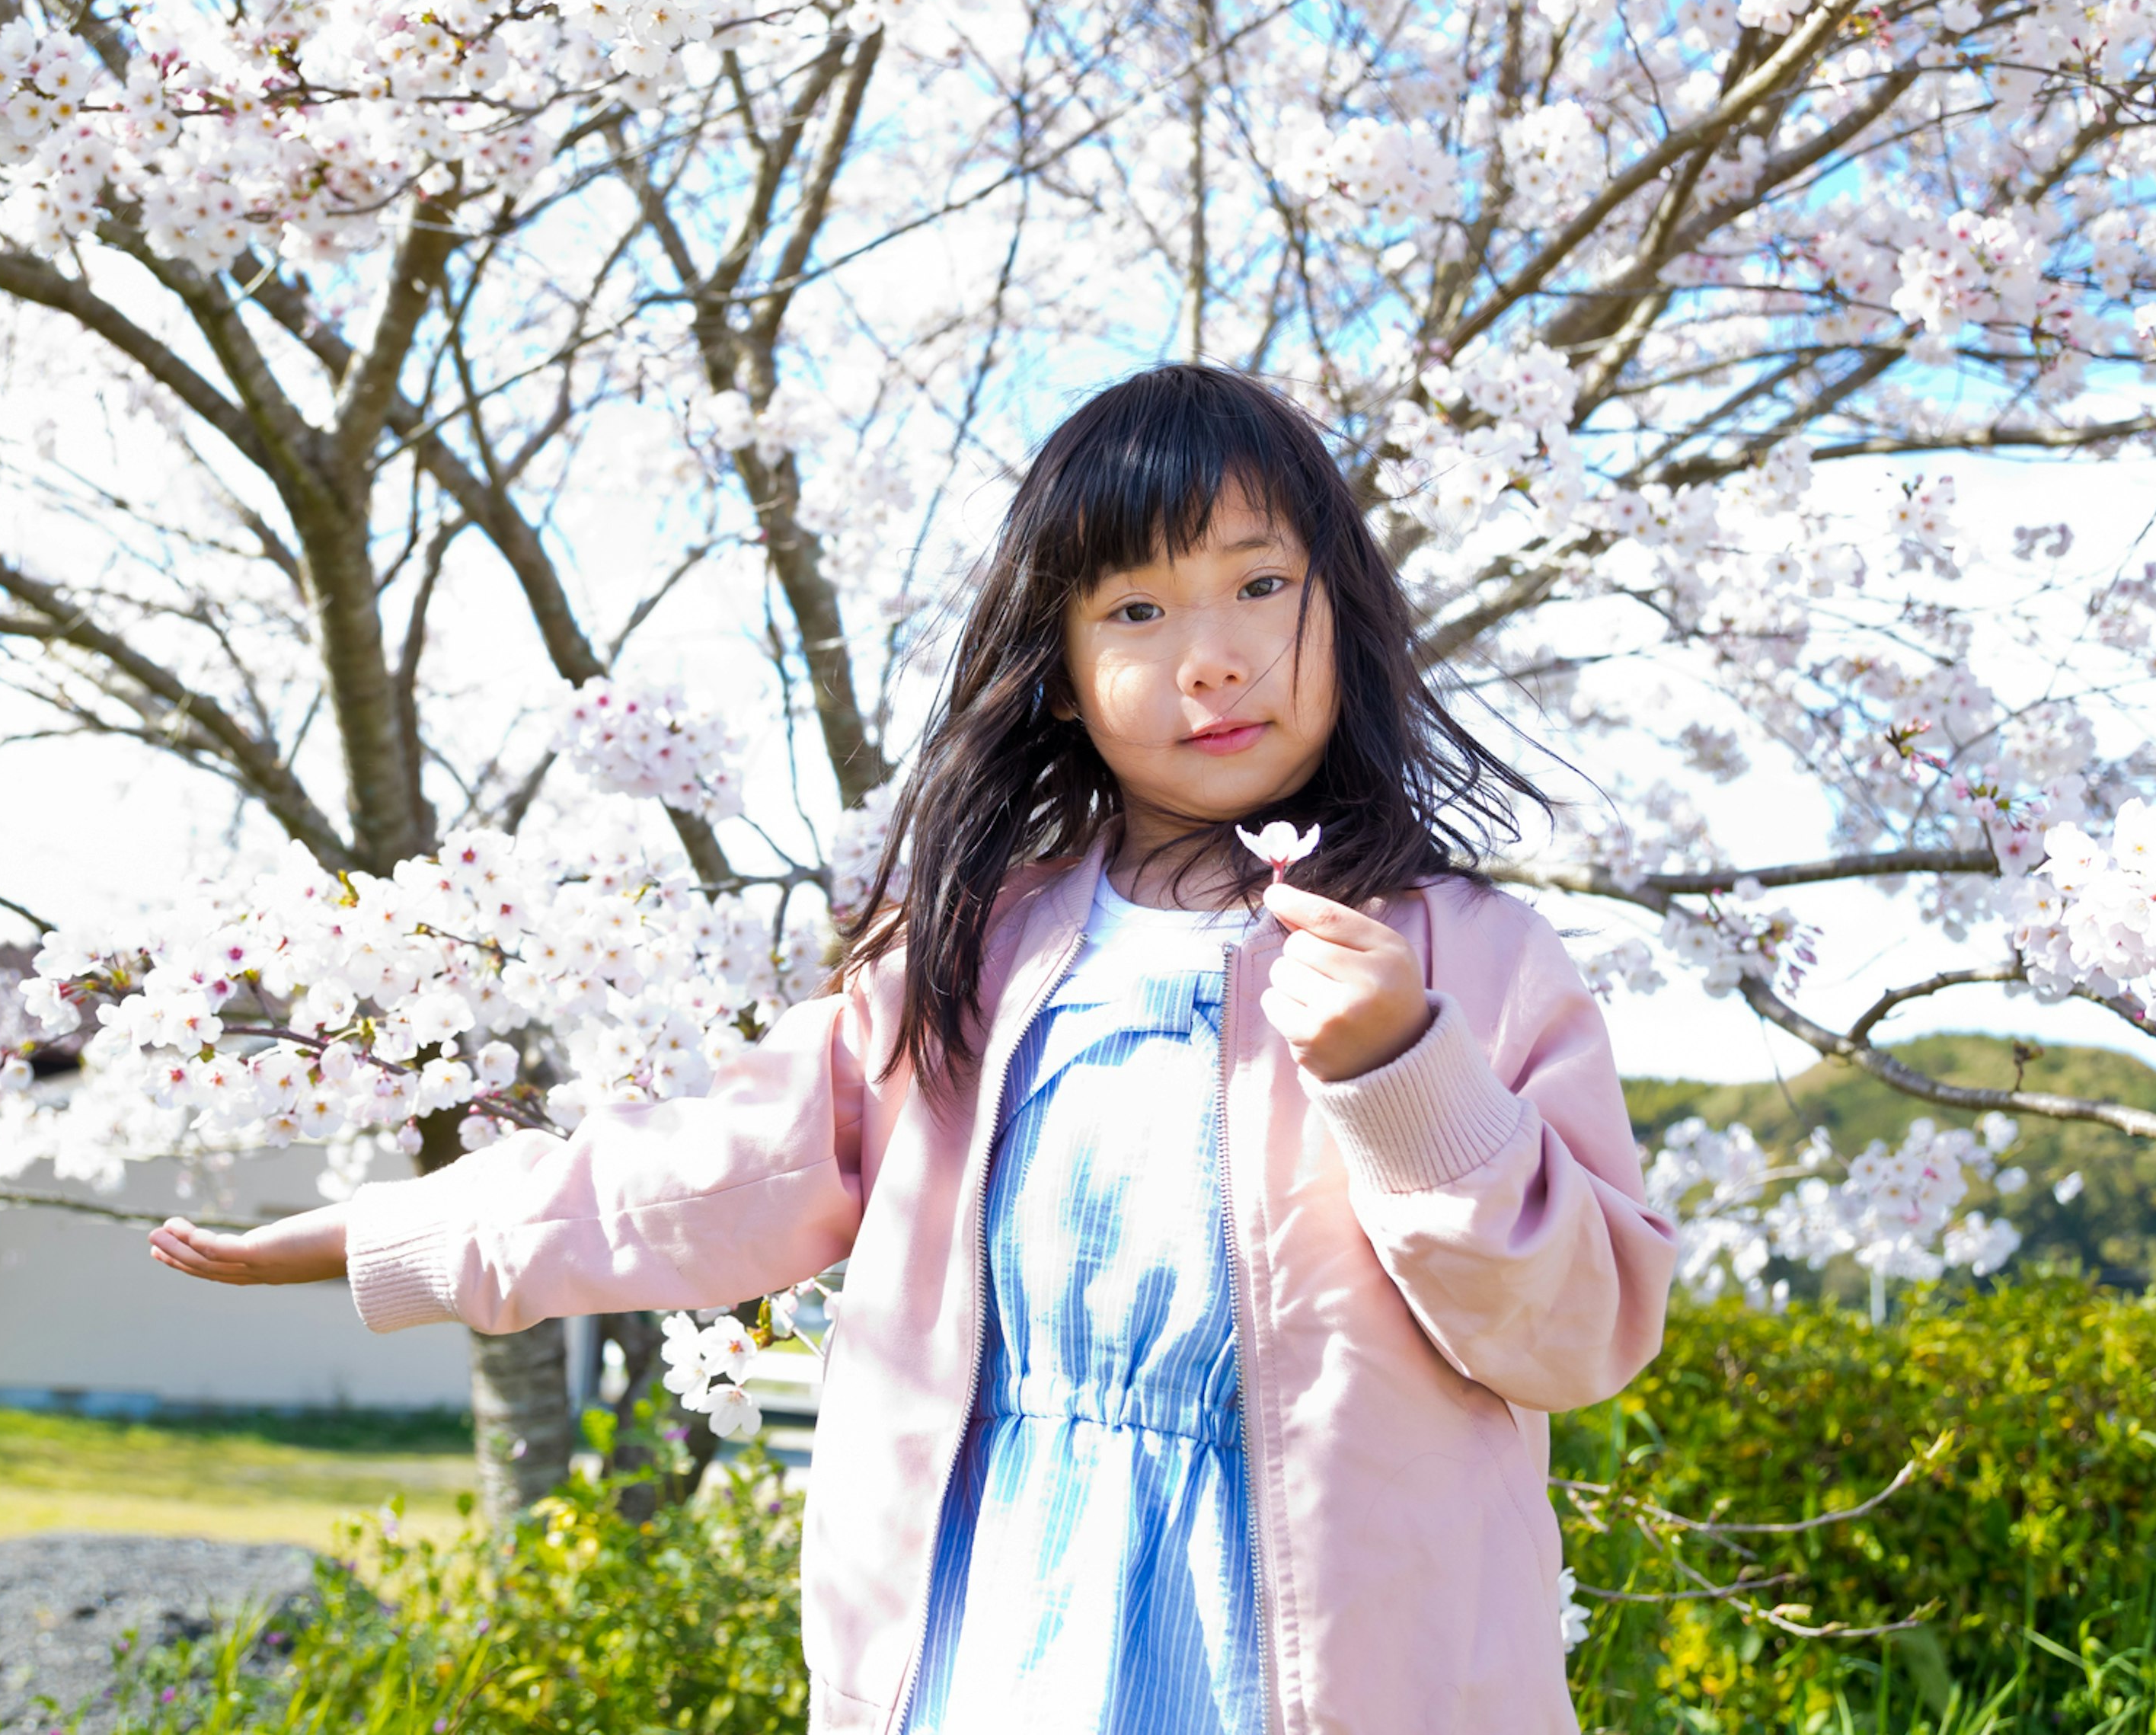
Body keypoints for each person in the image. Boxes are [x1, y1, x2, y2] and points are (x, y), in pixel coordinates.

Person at [148, 364, 1678, 1735]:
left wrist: (1403, 1068)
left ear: (1342, 604)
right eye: (1136, 610)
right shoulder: (976, 952)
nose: (1209, 657)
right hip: (1004, 1615)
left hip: (1327, 1660)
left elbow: (1573, 1333)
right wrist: (385, 1234)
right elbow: (693, 1168)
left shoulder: (1472, 960)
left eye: (1258, 584)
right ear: (1061, 667)